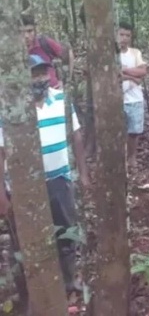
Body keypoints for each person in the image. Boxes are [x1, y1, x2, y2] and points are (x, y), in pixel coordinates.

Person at [0, 55, 90, 295]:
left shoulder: (61, 100)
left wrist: (83, 173)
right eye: (33, 74)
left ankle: (69, 281)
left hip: (59, 179)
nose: (39, 78)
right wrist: (1, 193)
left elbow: (77, 136)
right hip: (24, 187)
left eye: (42, 73)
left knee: (67, 233)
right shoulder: (11, 109)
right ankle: (29, 293)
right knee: (26, 242)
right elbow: (1, 153)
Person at [118, 21, 149, 169]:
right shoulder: (112, 54)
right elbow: (114, 75)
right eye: (121, 34)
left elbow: (143, 71)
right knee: (119, 133)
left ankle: (132, 158)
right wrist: (132, 76)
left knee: (134, 132)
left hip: (135, 99)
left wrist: (124, 71)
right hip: (118, 100)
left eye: (127, 35)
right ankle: (121, 159)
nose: (124, 38)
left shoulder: (135, 53)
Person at [19, 14, 74, 89]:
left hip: (53, 92)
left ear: (35, 30)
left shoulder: (44, 42)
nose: (26, 36)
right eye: (22, 32)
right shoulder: (12, 53)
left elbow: (68, 53)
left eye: (29, 31)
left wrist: (67, 81)